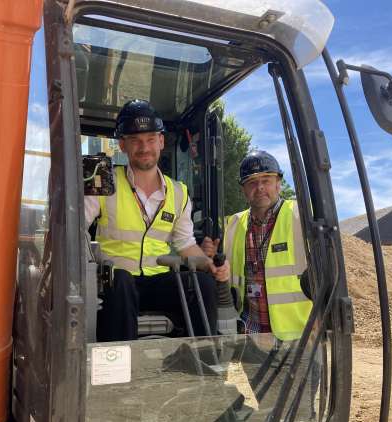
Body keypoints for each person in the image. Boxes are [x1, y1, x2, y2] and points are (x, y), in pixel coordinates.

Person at [85, 99, 229, 342]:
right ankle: (119, 369)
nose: (144, 147)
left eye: (151, 139)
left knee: (202, 284)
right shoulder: (102, 176)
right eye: (135, 140)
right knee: (120, 280)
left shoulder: (179, 192)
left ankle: (203, 362)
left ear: (161, 141)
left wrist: (209, 264)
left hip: (158, 280)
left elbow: (185, 245)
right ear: (122, 144)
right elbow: (77, 230)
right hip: (114, 282)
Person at [203, 150, 312, 340]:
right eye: (252, 182)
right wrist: (210, 257)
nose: (260, 187)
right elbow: (223, 273)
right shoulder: (233, 224)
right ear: (243, 190)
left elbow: (328, 273)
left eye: (266, 180)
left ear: (278, 183)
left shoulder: (302, 216)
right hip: (248, 335)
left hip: (297, 339)